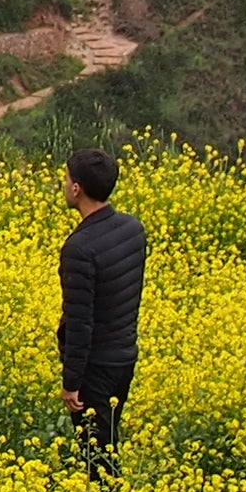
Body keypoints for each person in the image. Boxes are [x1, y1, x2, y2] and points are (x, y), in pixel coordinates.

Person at [53, 147, 146, 473]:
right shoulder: (133, 229)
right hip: (124, 357)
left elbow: (80, 321)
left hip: (95, 367)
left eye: (66, 180)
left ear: (77, 188)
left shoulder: (79, 248)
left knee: (98, 458)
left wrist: (71, 382)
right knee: (107, 442)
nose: (64, 185)